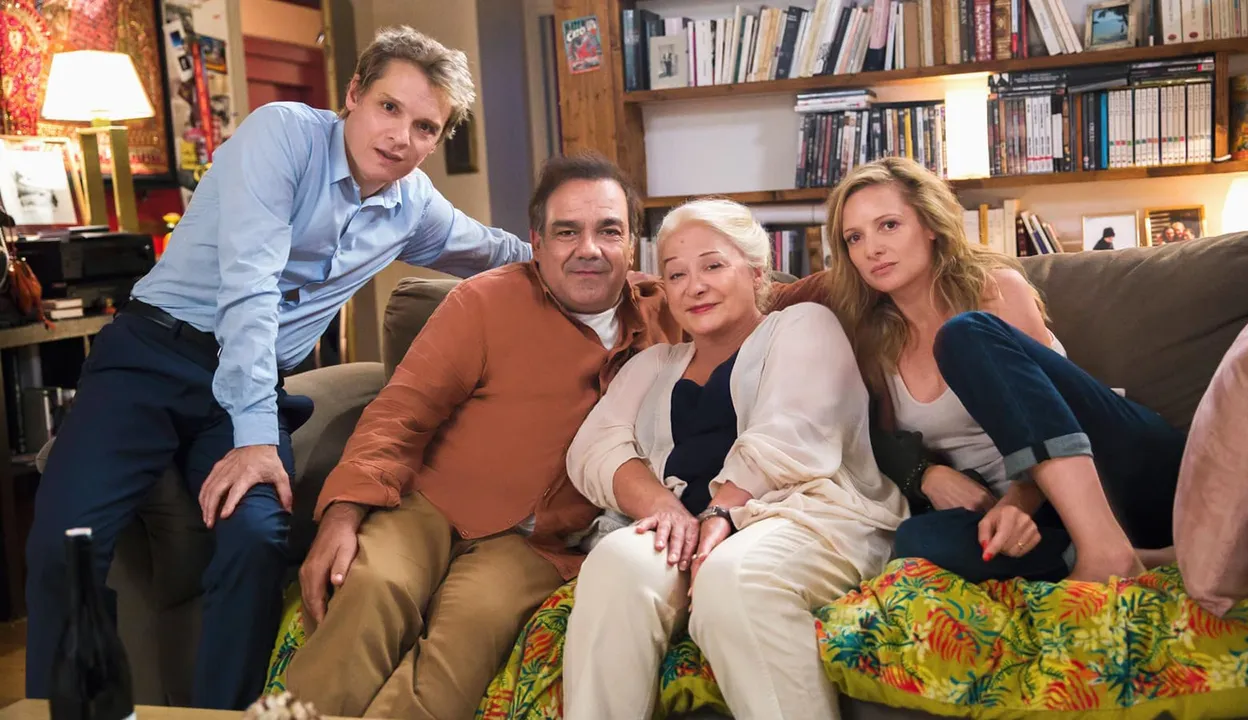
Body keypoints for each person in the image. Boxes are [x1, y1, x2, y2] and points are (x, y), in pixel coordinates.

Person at [24, 26, 530, 710]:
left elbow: (499, 252)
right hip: (152, 358)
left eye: (424, 127)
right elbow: (251, 288)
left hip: (250, 385)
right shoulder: (282, 135)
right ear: (353, 94)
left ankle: (223, 714)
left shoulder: (413, 207)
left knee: (258, 538)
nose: (400, 138)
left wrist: (600, 262)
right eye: (389, 108)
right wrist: (258, 439)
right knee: (66, 541)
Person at [281, 152, 683, 719]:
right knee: (372, 586)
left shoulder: (671, 315)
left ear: (633, 245)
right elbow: (399, 414)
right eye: (567, 231)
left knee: (468, 634)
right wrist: (342, 516)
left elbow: (767, 301)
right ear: (536, 242)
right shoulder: (483, 301)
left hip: (540, 542)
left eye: (608, 231)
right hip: (429, 505)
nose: (589, 249)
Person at [561, 199, 909, 720]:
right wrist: (667, 510)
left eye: (713, 266)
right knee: (616, 561)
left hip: (803, 518)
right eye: (676, 274)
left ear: (756, 272)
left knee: (733, 577)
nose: (694, 287)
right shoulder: (653, 364)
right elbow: (594, 447)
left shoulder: (802, 325)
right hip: (687, 529)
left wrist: (721, 514)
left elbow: (793, 430)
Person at [825, 157, 1185, 584]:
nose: (872, 249)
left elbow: (1048, 417)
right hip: (1036, 518)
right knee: (917, 541)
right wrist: (925, 475)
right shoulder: (872, 340)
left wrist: (1019, 500)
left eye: (889, 225)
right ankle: (1143, 557)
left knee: (962, 335)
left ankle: (1105, 551)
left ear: (930, 224)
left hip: (1120, 467)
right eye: (854, 237)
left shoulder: (995, 290)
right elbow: (875, 443)